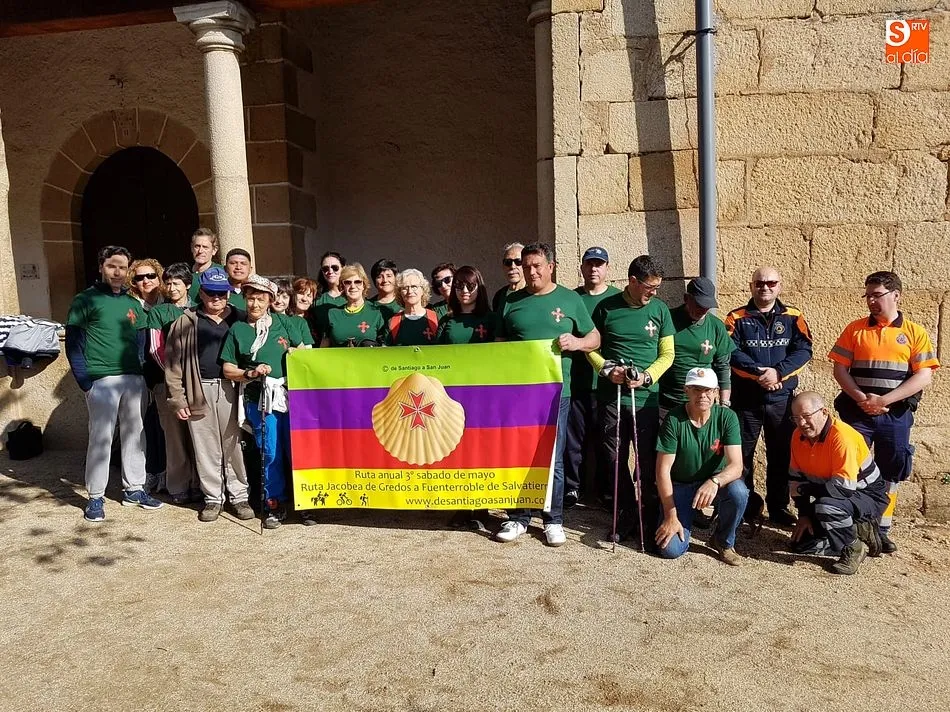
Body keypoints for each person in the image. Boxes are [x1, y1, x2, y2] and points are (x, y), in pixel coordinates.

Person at [495, 242, 600, 547]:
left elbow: (594, 337)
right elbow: (500, 345)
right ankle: (518, 517)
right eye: (526, 266)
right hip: (519, 394)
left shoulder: (570, 299)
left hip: (557, 392)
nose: (531, 271)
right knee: (518, 454)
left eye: (537, 265)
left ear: (551, 267)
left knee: (553, 456)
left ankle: (553, 519)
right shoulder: (510, 301)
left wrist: (577, 343)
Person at [829, 271, 939, 553]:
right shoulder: (855, 329)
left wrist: (885, 400)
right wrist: (861, 398)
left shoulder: (914, 332)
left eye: (876, 295)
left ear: (896, 295)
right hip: (858, 413)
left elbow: (923, 376)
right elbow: (840, 369)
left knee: (891, 471)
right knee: (852, 467)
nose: (871, 301)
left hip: (895, 415)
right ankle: (853, 527)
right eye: (868, 296)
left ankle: (882, 528)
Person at [65, 245, 163, 522]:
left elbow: (142, 340)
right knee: (102, 438)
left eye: (122, 267)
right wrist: (85, 380)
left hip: (133, 379)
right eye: (112, 266)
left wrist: (143, 374)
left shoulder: (133, 304)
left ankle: (134, 489)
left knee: (136, 434)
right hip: (101, 380)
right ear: (101, 268)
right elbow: (74, 344)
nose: (117, 272)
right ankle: (95, 497)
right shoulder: (85, 300)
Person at [590, 255, 674, 544]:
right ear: (633, 281)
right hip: (612, 397)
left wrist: (648, 376)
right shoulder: (606, 308)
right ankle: (626, 510)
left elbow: (668, 354)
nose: (654, 293)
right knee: (613, 458)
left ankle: (649, 517)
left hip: (646, 400)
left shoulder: (660, 310)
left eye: (657, 287)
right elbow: (589, 346)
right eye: (649, 287)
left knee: (647, 460)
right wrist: (606, 368)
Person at [724, 266, 812, 527]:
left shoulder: (793, 316)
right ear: (751, 286)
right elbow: (730, 352)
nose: (765, 287)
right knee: (743, 455)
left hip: (782, 400)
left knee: (781, 455)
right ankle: (748, 506)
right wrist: (759, 373)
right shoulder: (736, 317)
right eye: (760, 283)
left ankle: (778, 507)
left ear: (779, 286)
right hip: (747, 399)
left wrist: (778, 373)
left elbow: (804, 350)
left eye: (771, 283)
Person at [165, 266, 254, 523]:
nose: (217, 299)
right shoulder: (185, 321)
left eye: (222, 294)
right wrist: (177, 398)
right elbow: (173, 366)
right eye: (211, 293)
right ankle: (213, 498)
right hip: (198, 387)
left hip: (231, 388)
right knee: (205, 446)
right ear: (201, 293)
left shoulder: (239, 318)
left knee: (232, 442)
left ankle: (239, 496)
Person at [220, 274, 300, 528]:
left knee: (297, 449)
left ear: (270, 300)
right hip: (260, 398)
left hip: (292, 397)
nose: (255, 304)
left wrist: (296, 354)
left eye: (260, 298)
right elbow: (228, 368)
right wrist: (250, 373)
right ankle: (273, 502)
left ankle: (305, 503)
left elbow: (306, 351)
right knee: (270, 450)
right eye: (251, 298)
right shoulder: (238, 329)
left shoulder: (285, 324)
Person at [788, 392, 889, 575]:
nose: (801, 423)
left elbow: (843, 488)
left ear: (824, 412)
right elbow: (796, 479)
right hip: (831, 495)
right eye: (796, 418)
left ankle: (854, 548)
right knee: (799, 545)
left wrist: (806, 489)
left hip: (866, 495)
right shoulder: (797, 436)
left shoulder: (842, 437)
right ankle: (858, 534)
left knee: (826, 509)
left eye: (806, 416)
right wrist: (804, 515)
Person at [655, 368, 748, 565]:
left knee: (739, 492)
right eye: (697, 390)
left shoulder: (727, 417)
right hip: (681, 485)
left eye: (708, 390)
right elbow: (662, 471)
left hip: (713, 484)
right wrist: (670, 515)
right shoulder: (674, 419)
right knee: (669, 550)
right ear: (686, 390)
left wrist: (715, 481)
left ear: (716, 392)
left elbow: (736, 466)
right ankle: (673, 519)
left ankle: (723, 541)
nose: (703, 396)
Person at [564, 246, 620, 507]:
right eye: (589, 264)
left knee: (606, 442)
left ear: (607, 268)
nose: (594, 269)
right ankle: (572, 488)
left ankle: (606, 489)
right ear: (582, 268)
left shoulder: (618, 300)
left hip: (609, 384)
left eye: (599, 264)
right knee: (574, 440)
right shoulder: (571, 299)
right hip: (577, 381)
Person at [141, 262, 200, 503]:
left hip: (197, 382)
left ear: (187, 285)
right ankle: (178, 485)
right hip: (168, 383)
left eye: (177, 283)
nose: (172, 287)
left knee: (197, 436)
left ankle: (199, 483)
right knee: (174, 437)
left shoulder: (199, 310)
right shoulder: (159, 313)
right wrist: (174, 376)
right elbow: (155, 349)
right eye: (168, 283)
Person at [659, 277, 733, 421]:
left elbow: (723, 366)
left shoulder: (715, 326)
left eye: (707, 306)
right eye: (698, 305)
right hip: (667, 402)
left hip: (702, 403)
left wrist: (724, 404)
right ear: (687, 298)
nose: (702, 310)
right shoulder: (668, 319)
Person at [128, 258, 169, 494]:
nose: (146, 281)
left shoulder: (168, 302)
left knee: (162, 425)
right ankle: (149, 472)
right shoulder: (130, 307)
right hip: (139, 374)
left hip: (164, 373)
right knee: (143, 425)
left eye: (151, 276)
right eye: (139, 278)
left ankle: (165, 471)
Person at [320, 263, 387, 347]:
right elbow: (324, 348)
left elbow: (385, 347)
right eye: (347, 282)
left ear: (364, 285)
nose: (353, 286)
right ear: (342, 286)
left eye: (358, 282)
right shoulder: (333, 314)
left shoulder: (376, 312)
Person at [437, 265, 501, 344]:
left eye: (470, 286)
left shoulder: (492, 319)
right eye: (459, 285)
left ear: (479, 289)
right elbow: (437, 351)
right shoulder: (446, 320)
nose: (464, 290)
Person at [388, 268, 440, 346]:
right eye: (405, 288)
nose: (410, 291)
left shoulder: (435, 318)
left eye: (414, 287)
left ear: (423, 290)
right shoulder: (393, 322)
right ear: (400, 293)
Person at [311, 251, 346, 342]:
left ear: (343, 268)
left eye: (335, 268)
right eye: (325, 269)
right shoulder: (316, 298)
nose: (330, 271)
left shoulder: (352, 296)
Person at [187, 227, 220, 302]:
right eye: (197, 246)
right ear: (192, 248)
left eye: (205, 247)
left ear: (214, 250)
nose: (200, 251)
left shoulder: (222, 273)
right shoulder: (184, 273)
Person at [491, 242, 526, 312]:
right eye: (508, 262)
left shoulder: (532, 293)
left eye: (518, 262)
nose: (512, 266)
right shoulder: (499, 296)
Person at [290, 276, 319, 342]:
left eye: (309, 296)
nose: (304, 299)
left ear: (312, 301)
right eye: (301, 293)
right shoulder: (285, 318)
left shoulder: (314, 321)